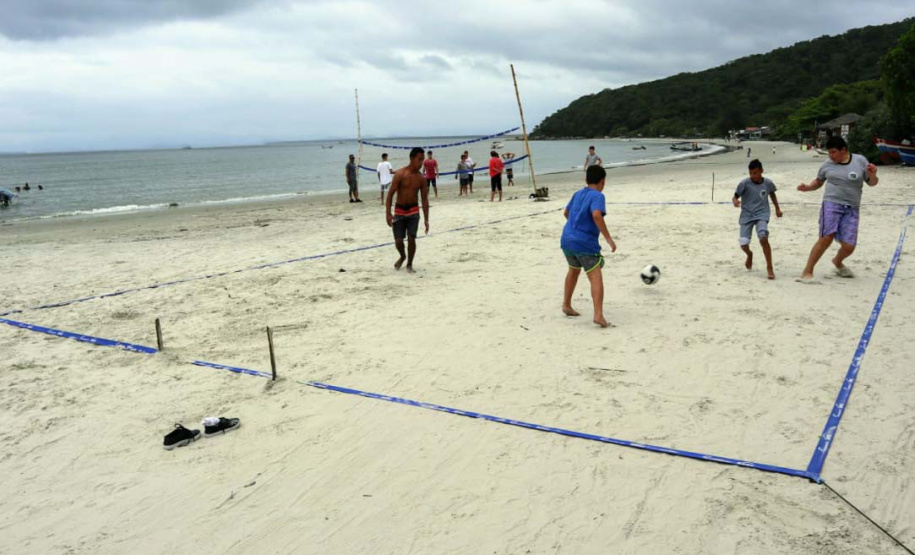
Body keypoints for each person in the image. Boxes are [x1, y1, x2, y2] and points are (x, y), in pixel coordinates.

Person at [797, 135, 878, 280]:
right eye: (829, 152)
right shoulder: (828, 164)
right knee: (826, 237)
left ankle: (837, 262)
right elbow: (819, 182)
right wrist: (808, 188)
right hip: (831, 204)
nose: (831, 156)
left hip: (852, 208)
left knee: (849, 246)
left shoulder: (860, 161)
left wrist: (873, 175)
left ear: (843, 150)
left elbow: (872, 183)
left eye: (833, 152)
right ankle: (807, 271)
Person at [560, 165, 617, 328]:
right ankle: (598, 315)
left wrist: (574, 227)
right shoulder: (598, 196)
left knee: (573, 269)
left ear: (586, 180)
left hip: (567, 240)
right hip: (584, 243)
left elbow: (566, 213)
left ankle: (566, 305)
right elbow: (596, 215)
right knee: (595, 276)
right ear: (603, 182)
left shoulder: (578, 193)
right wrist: (608, 238)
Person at [733, 159, 783, 279]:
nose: (753, 176)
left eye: (755, 173)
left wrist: (777, 208)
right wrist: (735, 202)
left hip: (762, 214)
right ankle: (749, 254)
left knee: (763, 237)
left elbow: (772, 194)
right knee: (744, 243)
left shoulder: (768, 183)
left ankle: (769, 268)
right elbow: (735, 197)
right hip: (747, 215)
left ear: (761, 171)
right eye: (751, 173)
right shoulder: (744, 183)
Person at [386, 147, 430, 273]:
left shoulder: (421, 178)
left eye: (422, 160)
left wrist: (426, 219)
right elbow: (390, 194)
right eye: (419, 160)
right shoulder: (400, 174)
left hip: (413, 210)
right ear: (411, 159)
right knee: (398, 240)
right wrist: (388, 213)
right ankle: (403, 256)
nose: (421, 163)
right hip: (399, 210)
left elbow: (425, 200)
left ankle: (409, 264)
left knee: (411, 238)